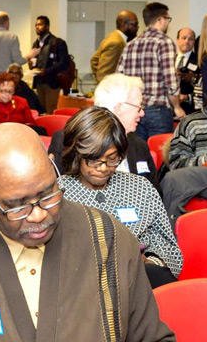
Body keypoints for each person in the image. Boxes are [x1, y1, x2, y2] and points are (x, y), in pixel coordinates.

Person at [0, 123, 174, 341]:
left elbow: (151, 336)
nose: (38, 214)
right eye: (16, 205)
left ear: (53, 167)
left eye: (48, 194)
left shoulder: (109, 238)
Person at [55, 106, 181, 287]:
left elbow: (167, 244)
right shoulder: (59, 193)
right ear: (76, 154)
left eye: (112, 159)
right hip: (82, 286)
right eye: (94, 160)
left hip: (142, 280)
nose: (104, 168)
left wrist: (152, 264)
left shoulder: (140, 187)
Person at [48, 73, 158, 187]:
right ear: (119, 108)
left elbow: (154, 193)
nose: (142, 113)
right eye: (139, 107)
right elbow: (57, 190)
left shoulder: (140, 146)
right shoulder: (68, 140)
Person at [117, 2, 184, 140]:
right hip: (158, 110)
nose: (168, 23)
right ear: (161, 19)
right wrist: (177, 107)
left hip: (134, 110)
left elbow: (119, 78)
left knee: (138, 155)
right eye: (168, 19)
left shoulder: (130, 44)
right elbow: (170, 80)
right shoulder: (164, 42)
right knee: (159, 157)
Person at [0, 11, 37, 88]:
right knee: (6, 97)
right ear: (7, 22)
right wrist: (28, 56)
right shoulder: (12, 37)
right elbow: (17, 61)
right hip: (8, 78)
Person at [29, 16, 70, 113]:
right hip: (39, 81)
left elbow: (64, 63)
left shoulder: (58, 42)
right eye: (36, 25)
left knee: (51, 110)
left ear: (47, 27)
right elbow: (35, 60)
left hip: (52, 82)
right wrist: (32, 65)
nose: (37, 27)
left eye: (40, 24)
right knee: (41, 110)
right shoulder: (36, 43)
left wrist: (46, 71)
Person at [91, 10, 139, 83]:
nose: (137, 27)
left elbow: (94, 60)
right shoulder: (116, 43)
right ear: (124, 25)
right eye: (134, 24)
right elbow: (104, 73)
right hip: (110, 91)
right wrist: (104, 83)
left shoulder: (112, 36)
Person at [174, 27, 201, 114]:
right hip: (170, 109)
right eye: (184, 38)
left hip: (190, 109)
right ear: (177, 40)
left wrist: (187, 97)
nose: (187, 41)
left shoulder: (200, 61)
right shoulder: (169, 59)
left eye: (191, 39)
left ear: (194, 42)